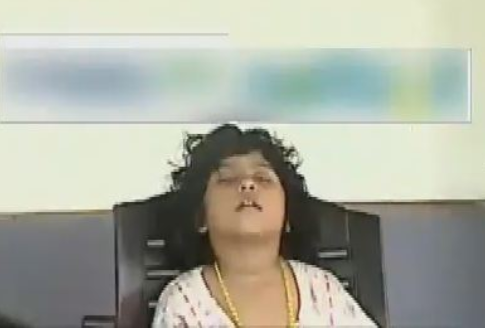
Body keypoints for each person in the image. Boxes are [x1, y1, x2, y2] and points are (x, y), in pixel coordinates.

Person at [151, 124, 379, 328]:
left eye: (263, 178)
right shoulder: (183, 301)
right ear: (200, 217)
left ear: (288, 216)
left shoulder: (323, 290)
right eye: (228, 179)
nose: (247, 184)